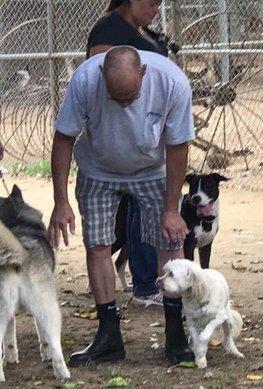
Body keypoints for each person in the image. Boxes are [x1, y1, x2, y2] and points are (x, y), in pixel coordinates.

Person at [48, 46, 195, 366]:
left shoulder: (172, 82)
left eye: (131, 97)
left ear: (143, 74)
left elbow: (178, 145)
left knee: (170, 242)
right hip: (98, 169)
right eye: (117, 98)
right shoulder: (85, 79)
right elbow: (63, 137)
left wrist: (172, 207)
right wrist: (60, 200)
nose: (125, 104)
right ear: (102, 75)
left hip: (152, 170)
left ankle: (176, 334)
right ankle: (108, 336)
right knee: (97, 244)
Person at [86, 0, 170, 307]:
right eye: (152, 2)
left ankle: (154, 285)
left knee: (153, 215)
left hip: (149, 137)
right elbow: (102, 82)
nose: (157, 8)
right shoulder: (108, 29)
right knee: (136, 212)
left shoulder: (142, 30)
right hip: (122, 138)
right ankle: (145, 284)